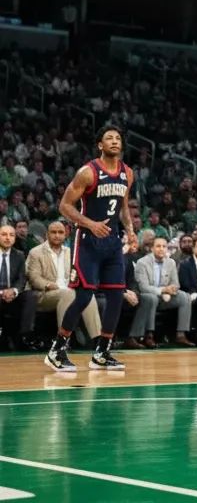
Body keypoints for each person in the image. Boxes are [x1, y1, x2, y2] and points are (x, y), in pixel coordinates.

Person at [46, 126, 137, 372]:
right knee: (84, 296)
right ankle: (57, 348)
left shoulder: (127, 173)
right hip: (87, 240)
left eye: (118, 138)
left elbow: (124, 207)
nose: (115, 141)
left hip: (113, 243)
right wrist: (90, 224)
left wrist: (130, 230)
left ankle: (102, 352)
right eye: (109, 138)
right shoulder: (88, 172)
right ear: (100, 145)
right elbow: (65, 205)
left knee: (117, 296)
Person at [26, 221, 101, 349]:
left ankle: (98, 339)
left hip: (67, 292)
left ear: (65, 235)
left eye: (60, 232)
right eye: (53, 232)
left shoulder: (70, 252)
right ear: (46, 234)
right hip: (44, 294)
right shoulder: (36, 252)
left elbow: (78, 274)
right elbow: (34, 278)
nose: (57, 235)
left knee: (86, 294)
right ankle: (63, 341)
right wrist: (48, 285)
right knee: (67, 294)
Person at [134, 236, 194, 346]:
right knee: (151, 298)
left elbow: (176, 284)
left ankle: (181, 335)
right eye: (158, 246)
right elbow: (144, 287)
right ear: (152, 249)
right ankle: (149, 335)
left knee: (185, 297)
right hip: (147, 296)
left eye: (164, 246)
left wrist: (171, 289)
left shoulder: (171, 262)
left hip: (166, 296)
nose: (161, 249)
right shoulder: (142, 263)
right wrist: (163, 290)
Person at [0, 223, 35, 350]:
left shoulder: (19, 255)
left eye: (11, 235)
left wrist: (14, 291)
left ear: (15, 238)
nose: (7, 238)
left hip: (13, 294)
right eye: (4, 235)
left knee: (30, 296)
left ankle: (24, 336)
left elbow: (22, 279)